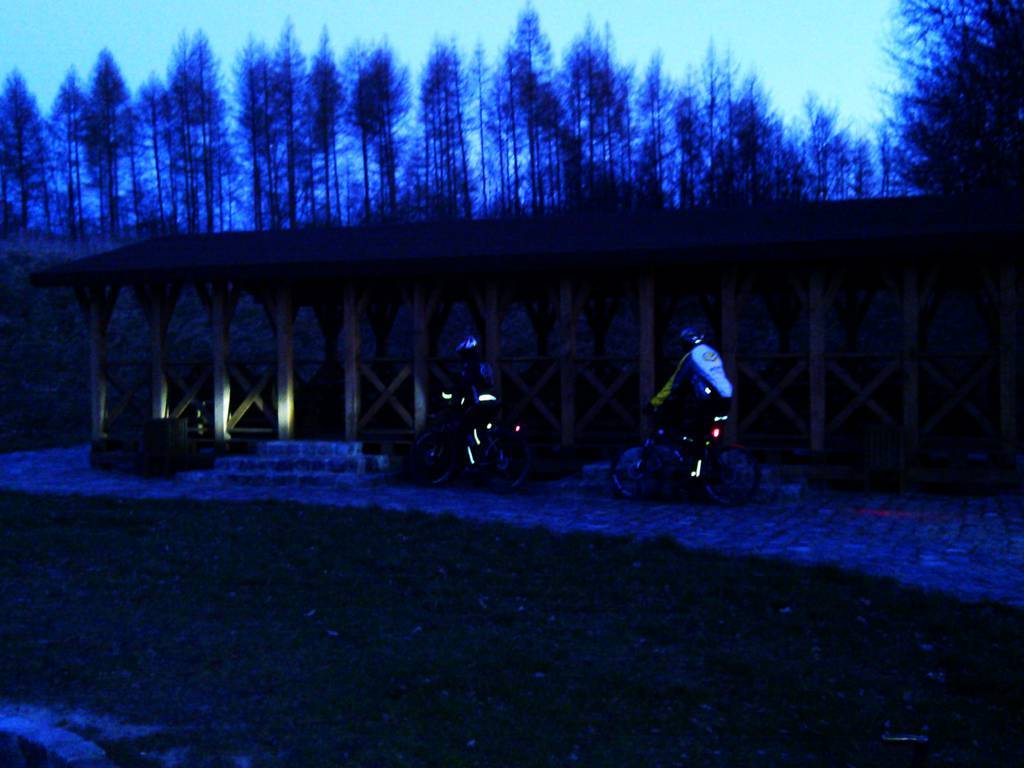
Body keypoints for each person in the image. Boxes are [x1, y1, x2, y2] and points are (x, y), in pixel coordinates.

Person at [649, 327, 733, 439]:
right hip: (727, 396)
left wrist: (654, 403)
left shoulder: (691, 356)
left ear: (686, 342)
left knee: (695, 431)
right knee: (708, 433)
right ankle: (708, 446)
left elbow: (674, 383)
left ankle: (692, 446)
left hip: (710, 399)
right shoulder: (712, 352)